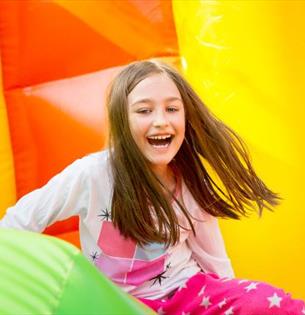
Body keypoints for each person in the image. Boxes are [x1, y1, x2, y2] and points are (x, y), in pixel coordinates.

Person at [0, 60, 304, 315]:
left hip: (187, 293)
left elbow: (214, 260)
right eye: (144, 111)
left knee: (268, 302)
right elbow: (19, 222)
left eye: (172, 109)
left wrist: (233, 300)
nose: (161, 121)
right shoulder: (93, 174)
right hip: (118, 303)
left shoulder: (188, 179)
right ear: (122, 119)